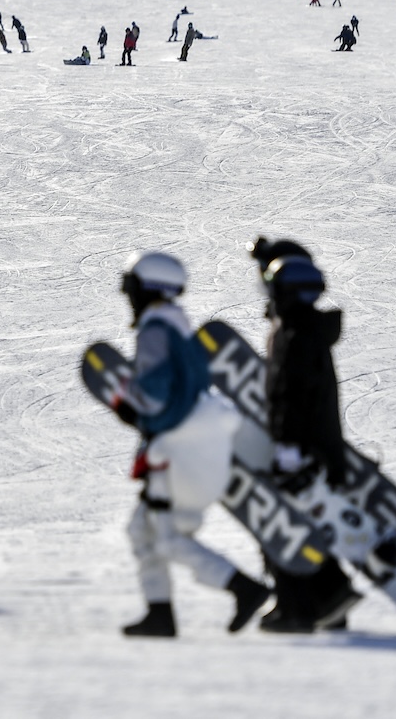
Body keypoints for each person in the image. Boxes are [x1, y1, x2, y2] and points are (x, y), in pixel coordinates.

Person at [112, 253, 273, 638]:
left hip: (179, 449)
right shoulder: (178, 325)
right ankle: (159, 613)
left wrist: (130, 406)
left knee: (166, 537)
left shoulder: (155, 329)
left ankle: (244, 588)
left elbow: (154, 392)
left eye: (133, 287)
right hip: (201, 442)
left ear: (147, 290)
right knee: (143, 531)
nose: (128, 295)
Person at [246, 238, 361, 634]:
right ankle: (331, 602)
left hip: (303, 450)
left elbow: (288, 399)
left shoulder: (293, 335)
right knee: (306, 522)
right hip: (322, 449)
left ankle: (301, 606)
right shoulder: (308, 329)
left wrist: (290, 452)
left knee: (277, 522)